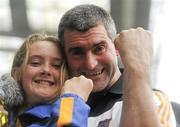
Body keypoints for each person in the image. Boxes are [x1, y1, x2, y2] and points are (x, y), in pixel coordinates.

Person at [58, 4, 176, 127]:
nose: (90, 64)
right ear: (65, 57)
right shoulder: (58, 105)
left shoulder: (154, 100)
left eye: (99, 48)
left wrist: (136, 64)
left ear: (117, 47)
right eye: (77, 52)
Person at [0, 33, 93, 127]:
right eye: (36, 63)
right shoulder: (3, 115)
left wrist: (72, 100)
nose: (46, 70)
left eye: (56, 65)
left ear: (67, 77)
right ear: (15, 74)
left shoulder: (81, 114)